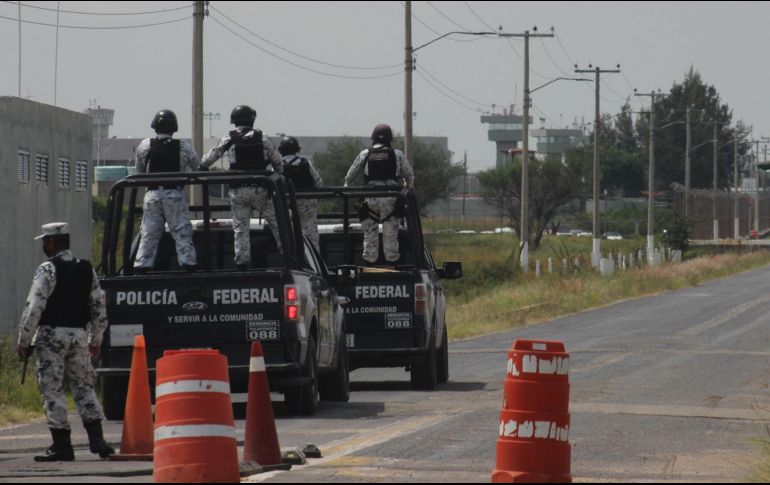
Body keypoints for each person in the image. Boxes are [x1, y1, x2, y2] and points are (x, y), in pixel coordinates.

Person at [17, 223, 114, 462]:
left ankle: (62, 446)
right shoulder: (86, 269)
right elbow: (98, 307)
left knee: (52, 389)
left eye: (44, 241)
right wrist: (97, 338)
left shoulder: (47, 269)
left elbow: (34, 307)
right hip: (79, 337)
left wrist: (24, 340)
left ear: (51, 243)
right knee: (84, 387)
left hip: (51, 337)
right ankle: (98, 441)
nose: (43, 246)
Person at [200, 105, 283, 270]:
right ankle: (289, 257)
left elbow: (207, 160)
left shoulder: (228, 138)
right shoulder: (263, 137)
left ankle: (242, 265)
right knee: (278, 225)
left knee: (240, 229)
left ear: (234, 121)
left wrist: (203, 169)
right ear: (252, 119)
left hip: (238, 191)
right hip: (261, 189)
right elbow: (279, 164)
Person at [133, 109, 199, 273]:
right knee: (181, 231)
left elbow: (139, 171)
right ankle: (188, 264)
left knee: (148, 232)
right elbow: (196, 166)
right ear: (174, 128)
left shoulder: (145, 145)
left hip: (152, 194)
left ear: (155, 127)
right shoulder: (183, 146)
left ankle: (141, 266)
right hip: (175, 194)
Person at [344, 123, 414, 266]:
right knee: (391, 235)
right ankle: (392, 264)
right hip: (391, 200)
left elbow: (350, 175)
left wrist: (347, 188)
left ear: (373, 138)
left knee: (370, 235)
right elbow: (410, 176)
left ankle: (369, 264)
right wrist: (405, 191)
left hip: (370, 199)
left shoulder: (365, 153)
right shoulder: (397, 154)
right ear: (390, 138)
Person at [278, 135, 323, 251]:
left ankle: (293, 263)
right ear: (297, 150)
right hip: (307, 204)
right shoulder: (305, 163)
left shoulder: (278, 166)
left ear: (281, 151)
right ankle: (314, 265)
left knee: (289, 236)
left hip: (287, 206)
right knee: (311, 237)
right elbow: (319, 182)